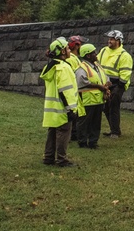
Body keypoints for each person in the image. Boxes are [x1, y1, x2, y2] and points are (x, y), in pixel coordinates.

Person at [39, 36, 80, 167]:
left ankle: (49, 157)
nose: (69, 50)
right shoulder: (63, 67)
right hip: (63, 108)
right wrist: (70, 109)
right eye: (67, 48)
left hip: (52, 108)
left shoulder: (51, 66)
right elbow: (65, 90)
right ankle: (61, 159)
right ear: (62, 52)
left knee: (52, 133)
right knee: (63, 133)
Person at [98, 29, 133, 137]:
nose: (109, 41)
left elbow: (125, 73)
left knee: (113, 106)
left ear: (118, 40)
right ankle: (114, 129)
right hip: (105, 83)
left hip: (118, 84)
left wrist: (119, 87)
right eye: (109, 39)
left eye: (112, 39)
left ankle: (115, 132)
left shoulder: (124, 55)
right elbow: (97, 64)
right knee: (106, 108)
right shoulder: (103, 50)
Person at [76, 43, 111, 148]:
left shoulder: (97, 66)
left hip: (98, 99)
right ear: (88, 55)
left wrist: (107, 84)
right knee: (84, 122)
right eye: (94, 53)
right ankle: (82, 142)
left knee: (96, 123)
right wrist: (99, 87)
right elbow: (82, 82)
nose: (96, 55)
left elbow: (106, 77)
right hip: (87, 99)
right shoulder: (82, 68)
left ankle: (93, 142)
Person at [65, 35, 88, 142]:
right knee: (72, 112)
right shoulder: (72, 59)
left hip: (75, 89)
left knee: (76, 113)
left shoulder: (74, 59)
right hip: (72, 89)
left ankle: (73, 133)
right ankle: (71, 134)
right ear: (77, 46)